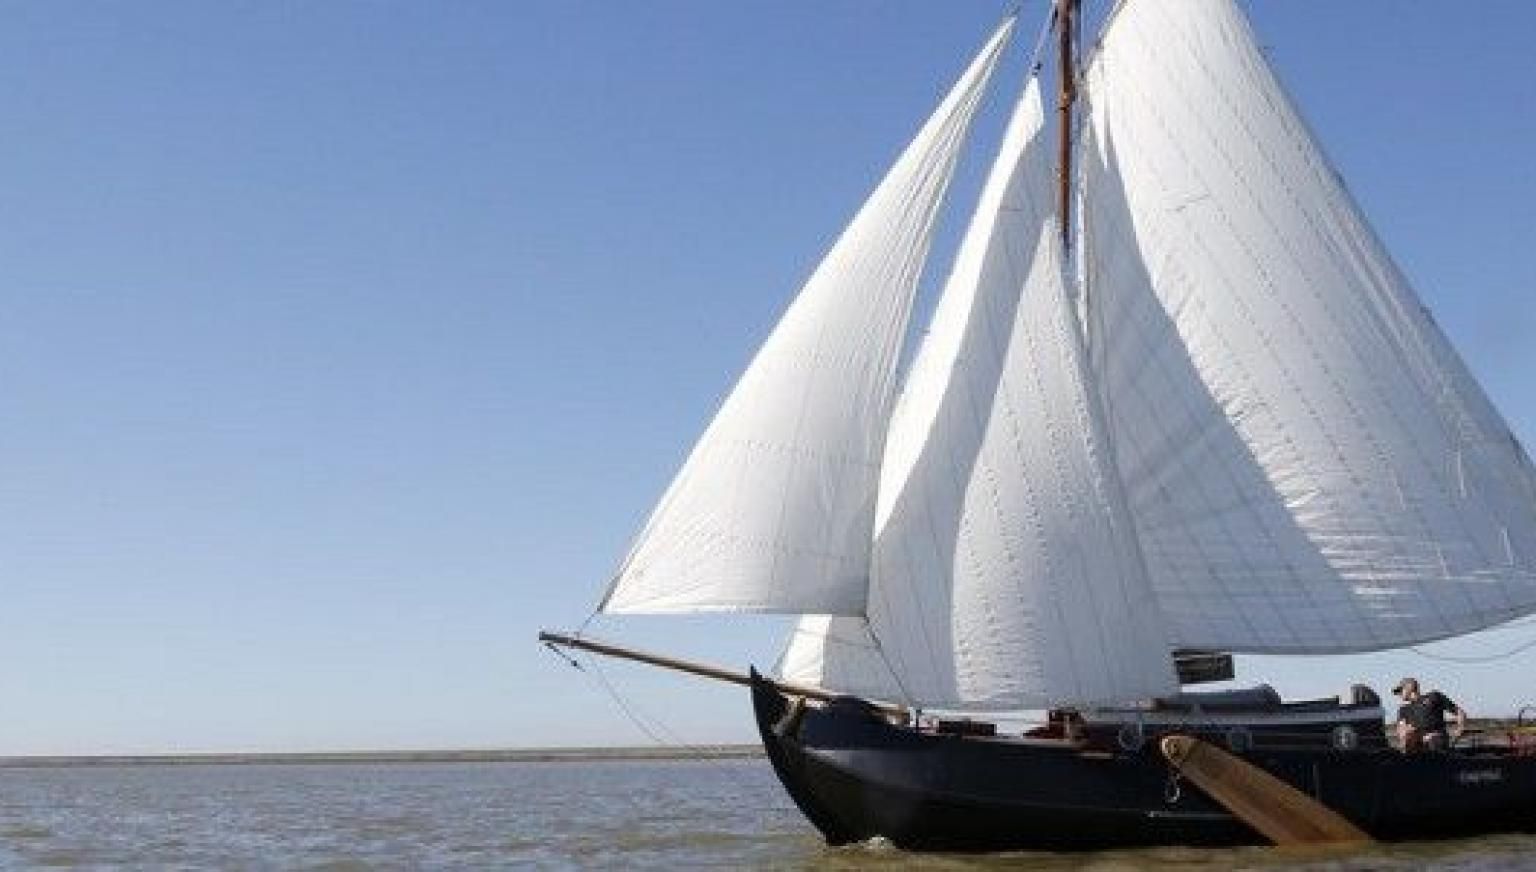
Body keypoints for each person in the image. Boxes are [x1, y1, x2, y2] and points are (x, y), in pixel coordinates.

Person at [1392, 677, 1465, 753]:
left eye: (1400, 690)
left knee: (1433, 741)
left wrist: (1459, 730)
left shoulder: (1433, 697)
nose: (1399, 694)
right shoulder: (1403, 710)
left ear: (1409, 687)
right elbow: (1401, 731)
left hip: (1436, 742)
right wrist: (1410, 733)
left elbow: (1460, 712)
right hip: (1417, 745)